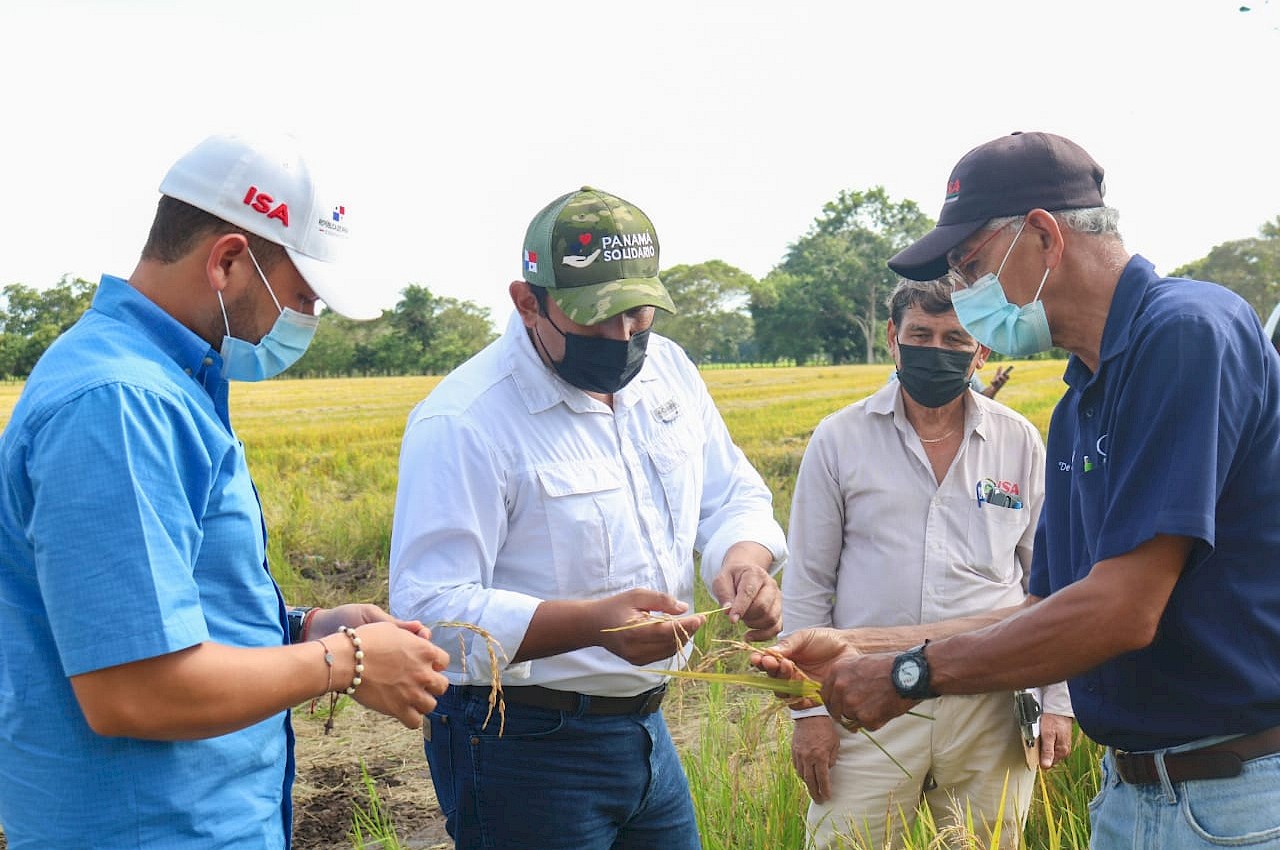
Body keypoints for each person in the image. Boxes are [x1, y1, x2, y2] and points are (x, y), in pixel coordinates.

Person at [754, 131, 1280, 849]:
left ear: (1042, 236)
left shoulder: (1186, 334)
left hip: (1233, 796)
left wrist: (908, 672)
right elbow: (1044, 605)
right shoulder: (1080, 404)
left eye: (970, 268)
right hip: (1135, 793)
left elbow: (1122, 611)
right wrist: (859, 643)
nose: (967, 300)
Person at [0, 132, 451, 850]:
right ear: (229, 262)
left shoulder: (168, 384)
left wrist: (303, 629)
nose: (305, 322)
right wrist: (350, 660)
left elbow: (164, 607)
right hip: (148, 828)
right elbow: (135, 689)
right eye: (301, 298)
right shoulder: (119, 404)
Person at [389, 186, 788, 850]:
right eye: (596, 318)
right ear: (527, 301)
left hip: (646, 731)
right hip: (523, 744)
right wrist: (589, 626)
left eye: (637, 314)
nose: (623, 338)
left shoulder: (669, 374)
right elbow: (430, 608)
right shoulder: (466, 420)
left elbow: (732, 496)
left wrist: (743, 562)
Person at [785, 278, 1072, 849]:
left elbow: (1051, 584)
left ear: (982, 349)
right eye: (921, 334)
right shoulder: (840, 439)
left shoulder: (1018, 442)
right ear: (894, 338)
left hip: (991, 700)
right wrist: (808, 714)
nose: (935, 349)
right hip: (864, 701)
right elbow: (807, 585)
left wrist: (1057, 701)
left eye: (954, 338)